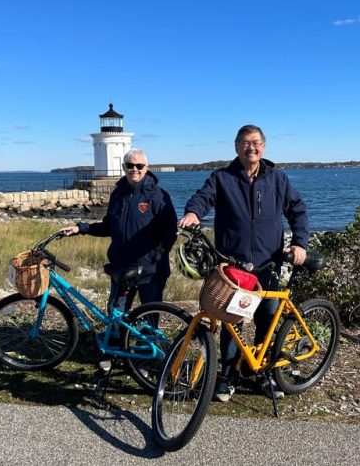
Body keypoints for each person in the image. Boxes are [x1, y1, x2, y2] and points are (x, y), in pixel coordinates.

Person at [178, 124, 309, 402]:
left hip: (268, 265)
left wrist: (300, 242)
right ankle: (227, 377)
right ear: (236, 147)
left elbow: (297, 210)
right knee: (231, 323)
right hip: (234, 268)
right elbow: (203, 198)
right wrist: (192, 213)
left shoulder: (278, 179)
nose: (252, 147)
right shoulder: (222, 177)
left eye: (256, 142)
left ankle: (264, 373)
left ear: (264, 147)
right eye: (245, 143)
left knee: (267, 320)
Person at [62, 148, 178, 370]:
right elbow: (108, 226)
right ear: (123, 167)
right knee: (117, 313)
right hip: (121, 267)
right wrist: (82, 227)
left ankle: (145, 359)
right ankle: (113, 352)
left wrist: (151, 259)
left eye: (139, 166)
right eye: (129, 166)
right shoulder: (118, 194)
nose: (134, 170)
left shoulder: (158, 196)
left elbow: (169, 233)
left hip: (150, 270)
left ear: (147, 168)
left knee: (149, 316)